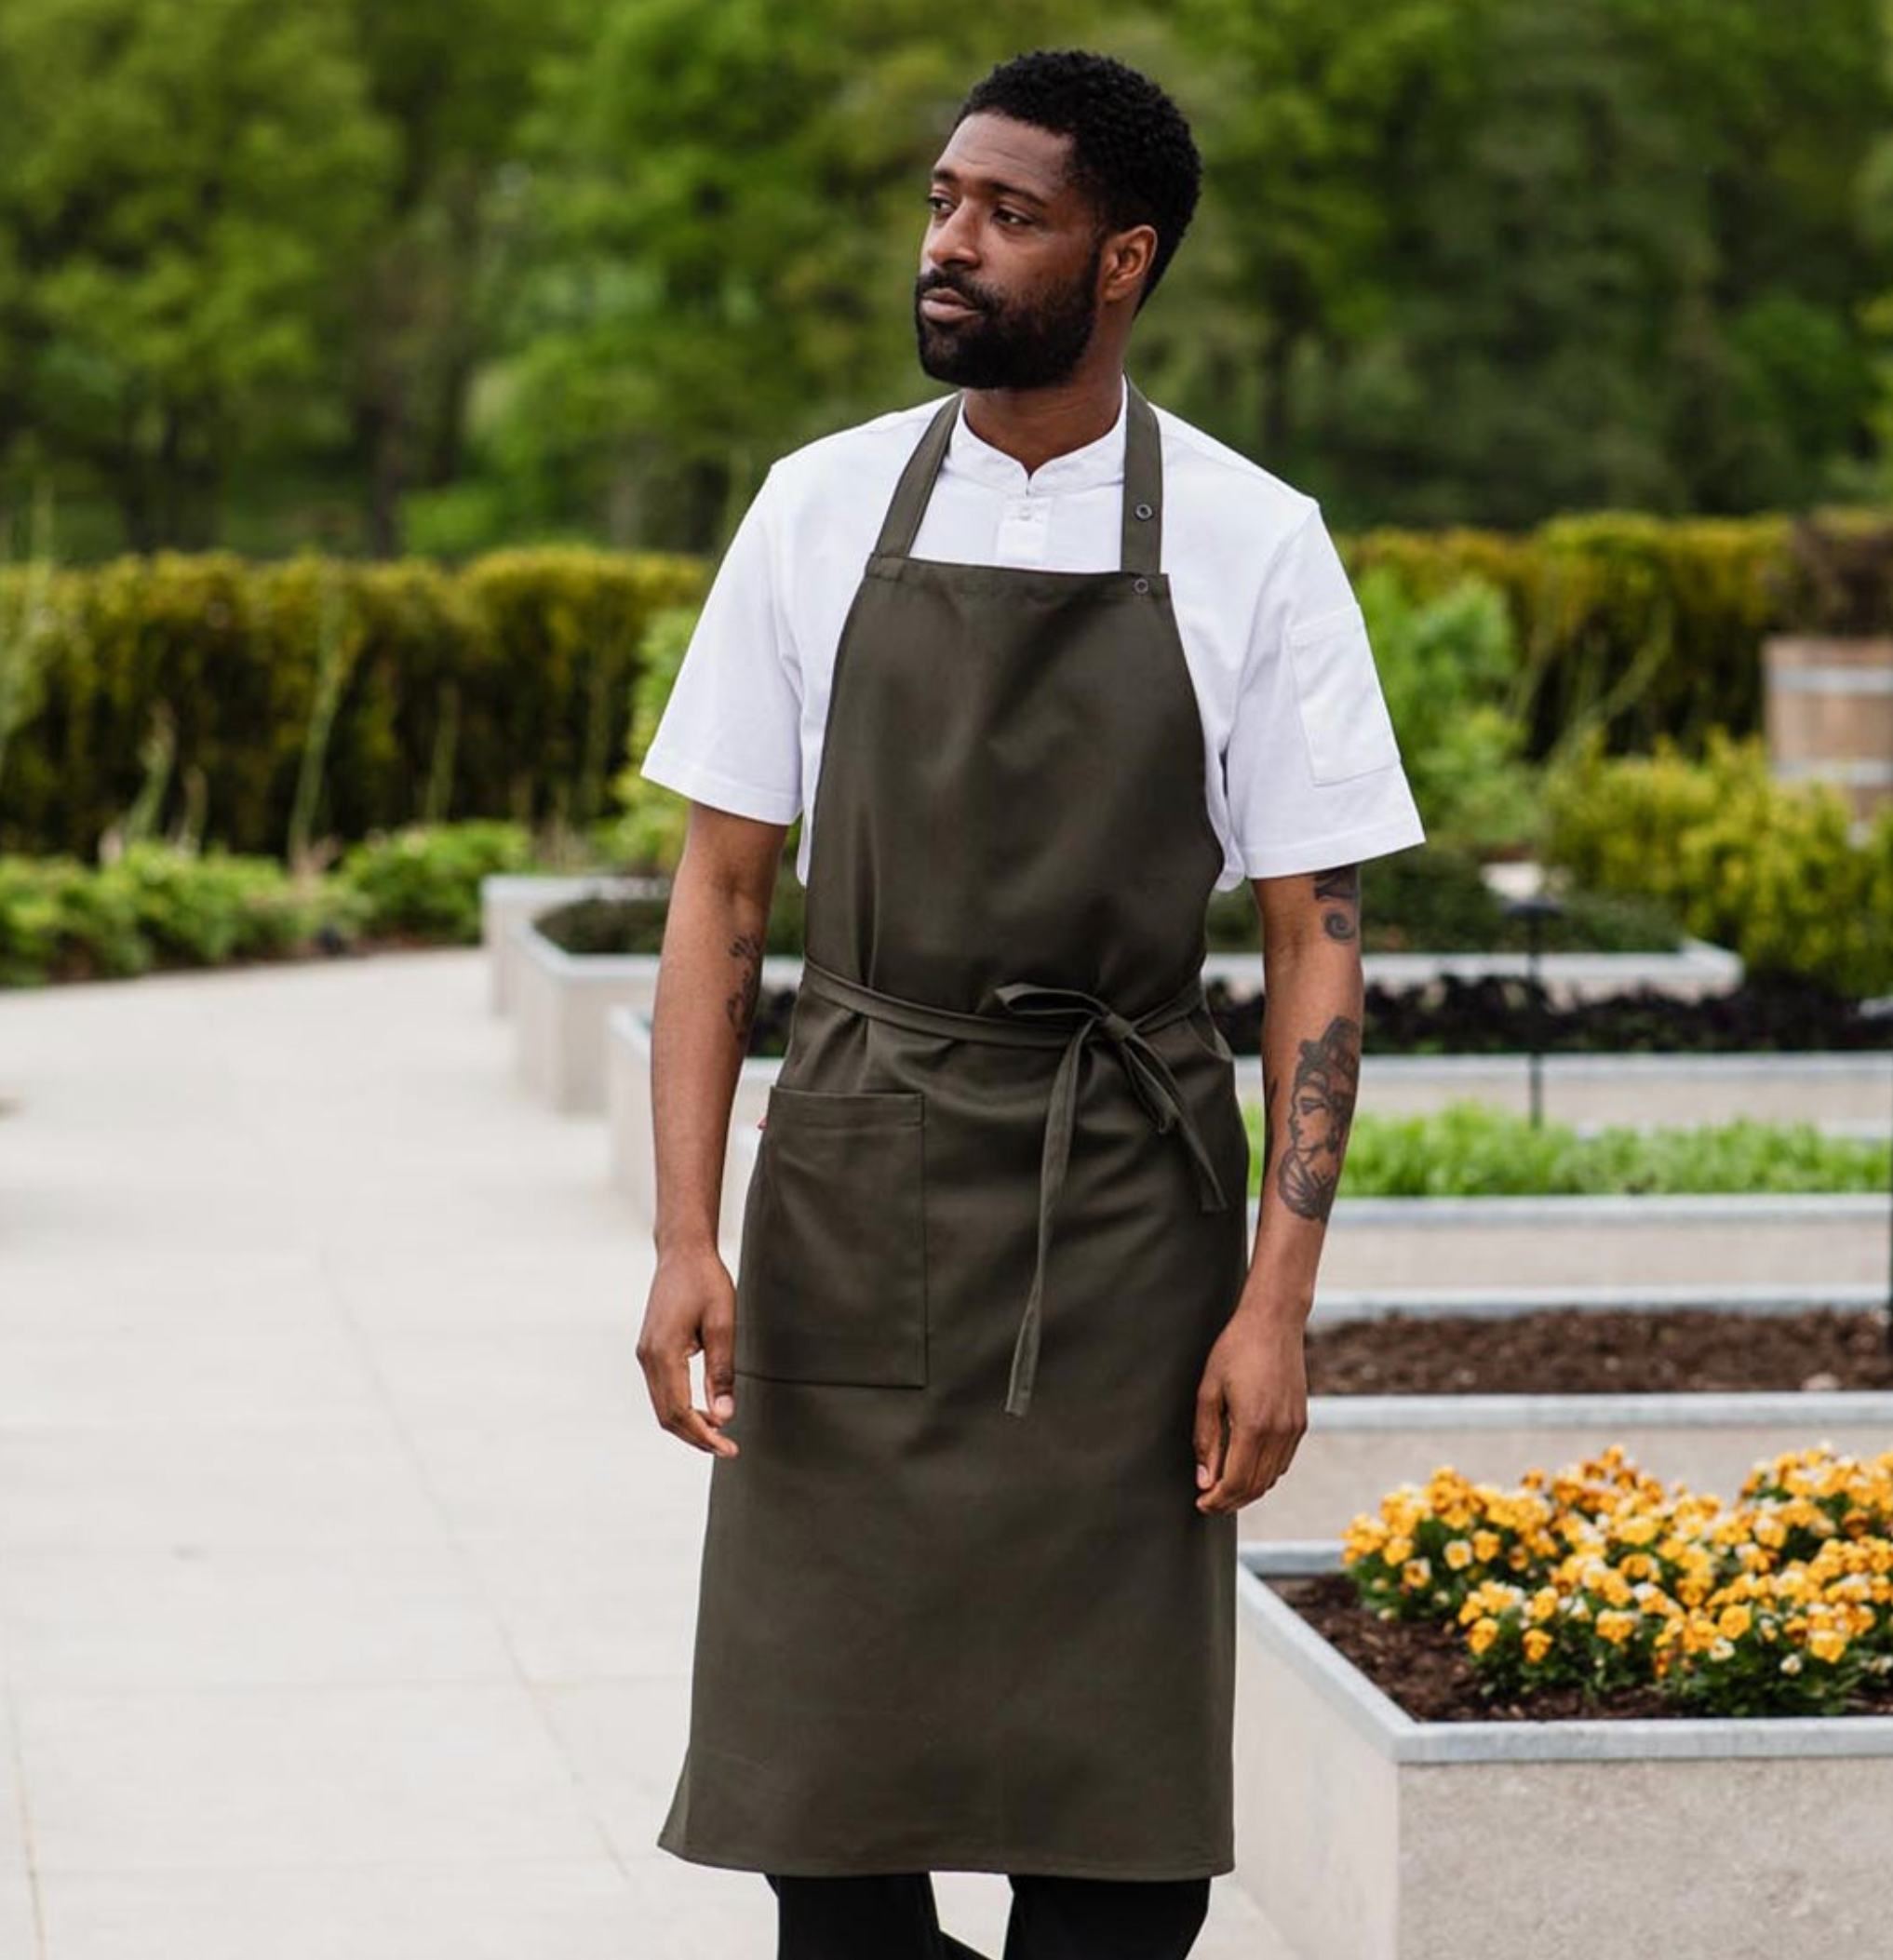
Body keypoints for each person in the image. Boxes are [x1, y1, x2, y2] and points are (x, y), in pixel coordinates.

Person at [634, 47, 1425, 1960]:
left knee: (1116, 1867)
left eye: (1008, 214)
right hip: (850, 1192)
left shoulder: (1256, 541)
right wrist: (681, 1236)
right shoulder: (815, 511)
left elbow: (1321, 934)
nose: (950, 245)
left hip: (1129, 1224)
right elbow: (722, 890)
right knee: (828, 1852)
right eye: (940, 203)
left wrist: (1279, 1308)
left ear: (1125, 258)